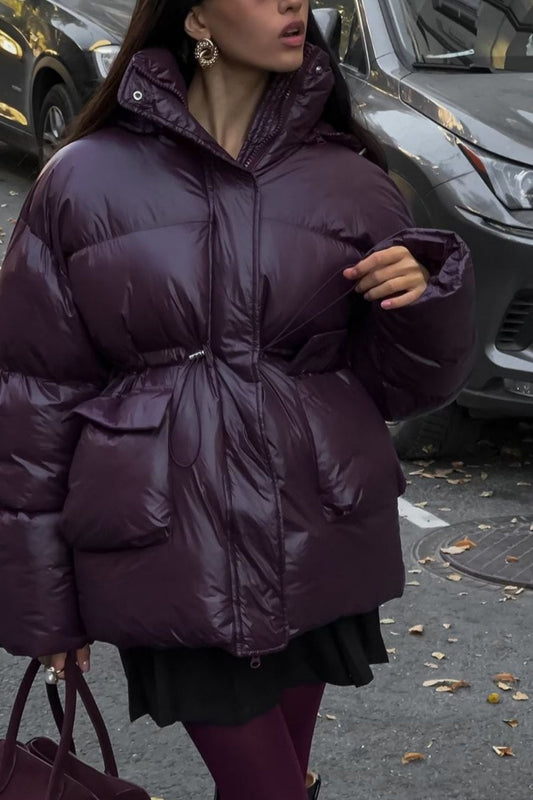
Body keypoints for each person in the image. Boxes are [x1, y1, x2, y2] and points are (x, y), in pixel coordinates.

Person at [0, 1, 475, 798]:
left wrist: (424, 300)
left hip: (314, 537)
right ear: (196, 19)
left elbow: (405, 388)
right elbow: (34, 396)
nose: (294, 4)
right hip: (168, 549)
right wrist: (42, 601)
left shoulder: (353, 181)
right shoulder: (84, 178)